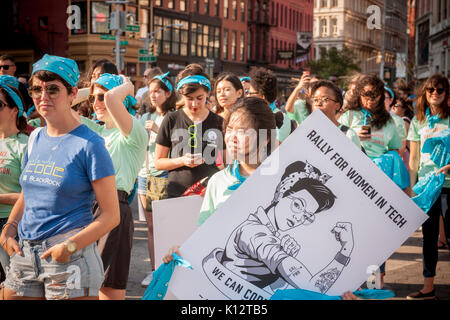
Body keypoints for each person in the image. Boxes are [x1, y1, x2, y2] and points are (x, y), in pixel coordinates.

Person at [0, 54, 120, 300]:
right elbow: (28, 194)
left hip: (69, 258)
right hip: (24, 253)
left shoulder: (90, 144)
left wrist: (70, 247)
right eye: (36, 89)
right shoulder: (35, 138)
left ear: (73, 93)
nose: (43, 97)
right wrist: (9, 229)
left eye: (53, 89)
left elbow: (111, 215)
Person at [76, 73, 148, 300]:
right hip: (85, 207)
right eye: (93, 99)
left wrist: (127, 85)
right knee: (83, 285)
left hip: (114, 207)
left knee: (108, 287)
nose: (96, 103)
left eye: (102, 97)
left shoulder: (134, 132)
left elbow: (111, 100)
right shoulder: (95, 130)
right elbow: (63, 105)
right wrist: (92, 89)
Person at [197, 97, 282, 225]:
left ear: (266, 137)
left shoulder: (281, 181)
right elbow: (204, 233)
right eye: (230, 129)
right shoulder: (217, 181)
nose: (232, 138)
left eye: (242, 131)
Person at [406, 73, 450, 300]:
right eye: (431, 90)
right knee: (429, 238)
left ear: (446, 94)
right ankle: (428, 287)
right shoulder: (417, 121)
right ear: (425, 93)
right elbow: (413, 159)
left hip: (449, 184)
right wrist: (413, 189)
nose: (435, 94)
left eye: (440, 90)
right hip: (427, 186)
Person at [154, 64, 224, 198]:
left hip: (210, 194)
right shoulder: (171, 119)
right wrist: (181, 161)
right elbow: (158, 162)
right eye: (189, 99)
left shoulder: (218, 122)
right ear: (181, 94)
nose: (194, 104)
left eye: (200, 98)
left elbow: (227, 162)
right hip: (177, 193)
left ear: (208, 93)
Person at [138, 72, 176, 286]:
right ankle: (153, 270)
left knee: (165, 227)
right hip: (145, 175)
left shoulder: (174, 116)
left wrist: (159, 130)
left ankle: (166, 270)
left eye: (157, 91)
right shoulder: (145, 117)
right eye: (150, 92)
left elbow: (179, 144)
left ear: (168, 93)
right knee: (151, 227)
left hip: (165, 175)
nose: (153, 96)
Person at [0, 75, 28, 281]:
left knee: (13, 283)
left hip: (12, 224)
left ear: (14, 110)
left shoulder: (25, 145)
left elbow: (31, 194)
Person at [310, 80, 361, 149]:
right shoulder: (304, 130)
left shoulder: (348, 135)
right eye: (315, 100)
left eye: (325, 99)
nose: (318, 104)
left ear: (337, 105)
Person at [248, 67, 292, 143]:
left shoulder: (282, 119)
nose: (247, 96)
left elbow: (274, 148)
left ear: (262, 96)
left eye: (250, 93)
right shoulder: (247, 115)